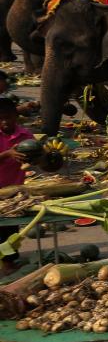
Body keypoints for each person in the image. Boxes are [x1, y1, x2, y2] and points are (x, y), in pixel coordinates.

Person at [0, 96, 33, 274]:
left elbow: (38, 159)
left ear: (16, 116)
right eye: (1, 118)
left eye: (9, 117)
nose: (5, 121)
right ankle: (6, 263)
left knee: (11, 227)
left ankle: (9, 261)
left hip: (14, 190)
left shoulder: (26, 136)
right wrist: (7, 154)